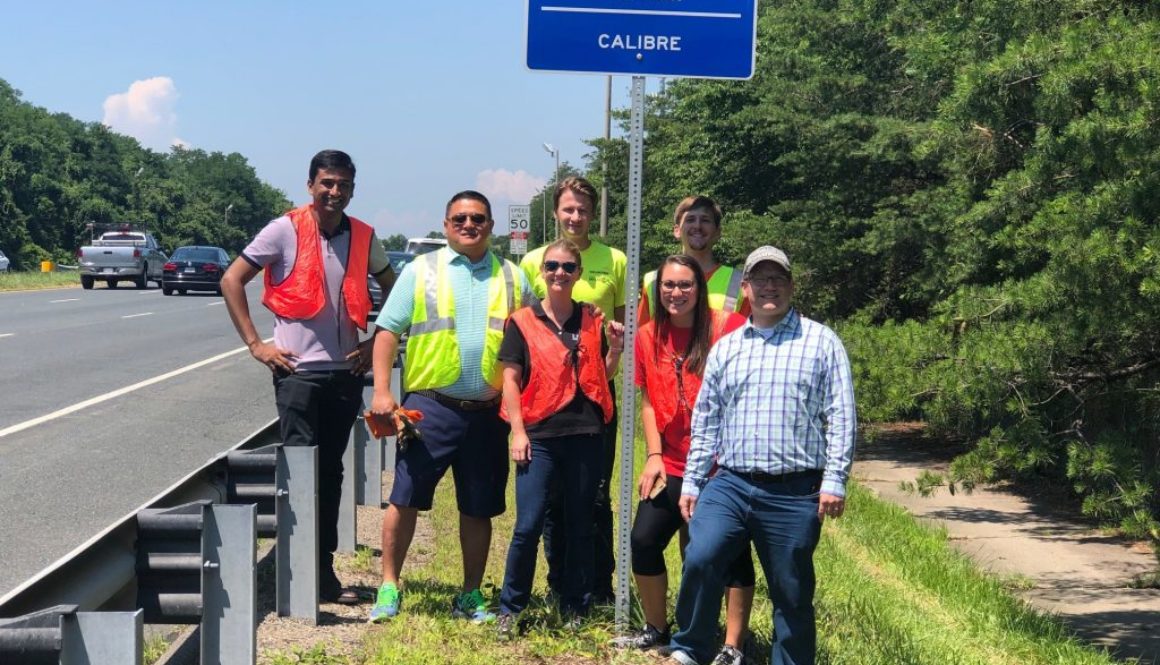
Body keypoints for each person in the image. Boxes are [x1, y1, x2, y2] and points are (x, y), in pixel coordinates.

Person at [665, 246, 857, 665]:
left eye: (778, 279)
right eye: (761, 280)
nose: (770, 287)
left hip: (794, 490)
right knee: (701, 555)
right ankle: (689, 648)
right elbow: (708, 420)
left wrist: (835, 480)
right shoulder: (727, 347)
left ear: (791, 285)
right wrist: (695, 480)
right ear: (746, 288)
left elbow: (841, 416)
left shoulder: (822, 342)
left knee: (791, 590)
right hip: (731, 484)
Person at [221, 149, 396, 605]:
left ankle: (321, 577)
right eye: (327, 183)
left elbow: (393, 287)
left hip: (344, 374)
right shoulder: (284, 229)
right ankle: (296, 576)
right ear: (311, 185)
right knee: (300, 474)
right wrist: (257, 346)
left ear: (353, 189)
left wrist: (374, 340)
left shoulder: (364, 235)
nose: (335, 192)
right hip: (297, 375)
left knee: (331, 475)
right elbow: (231, 279)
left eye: (343, 185)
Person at [367, 190, 532, 624]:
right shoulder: (421, 271)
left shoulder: (514, 277)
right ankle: (389, 587)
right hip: (431, 407)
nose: (468, 225)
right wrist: (383, 392)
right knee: (405, 496)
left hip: (487, 411)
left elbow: (535, 340)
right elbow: (386, 332)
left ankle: (470, 594)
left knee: (478, 506)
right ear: (445, 225)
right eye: (459, 218)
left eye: (477, 218)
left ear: (491, 225)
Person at [612, 255, 753, 665]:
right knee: (643, 540)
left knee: (730, 552)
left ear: (700, 288)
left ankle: (732, 645)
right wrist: (653, 454)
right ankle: (657, 628)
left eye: (685, 285)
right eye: (669, 286)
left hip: (721, 466)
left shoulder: (727, 328)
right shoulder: (646, 336)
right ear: (658, 291)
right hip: (673, 462)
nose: (676, 293)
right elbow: (649, 402)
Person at [494, 239, 625, 638]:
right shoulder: (521, 321)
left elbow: (601, 374)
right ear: (542, 271)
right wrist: (517, 431)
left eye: (568, 267)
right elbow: (510, 380)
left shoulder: (593, 319)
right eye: (552, 266)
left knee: (580, 523)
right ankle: (511, 608)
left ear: (579, 274)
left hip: (586, 434)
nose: (559, 274)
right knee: (529, 525)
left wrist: (616, 350)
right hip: (540, 435)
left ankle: (575, 604)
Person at [519, 176, 626, 602]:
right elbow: (524, 327)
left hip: (596, 398)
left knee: (595, 494)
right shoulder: (533, 260)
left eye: (582, 209)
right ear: (556, 212)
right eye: (568, 209)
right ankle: (558, 583)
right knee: (551, 499)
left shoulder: (615, 259)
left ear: (593, 213)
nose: (575, 216)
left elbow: (623, 325)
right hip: (546, 398)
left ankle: (598, 586)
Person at [638, 196, 749, 326]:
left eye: (705, 220)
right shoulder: (653, 281)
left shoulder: (739, 283)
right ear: (677, 231)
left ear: (718, 232)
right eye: (690, 219)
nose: (697, 226)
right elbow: (642, 338)